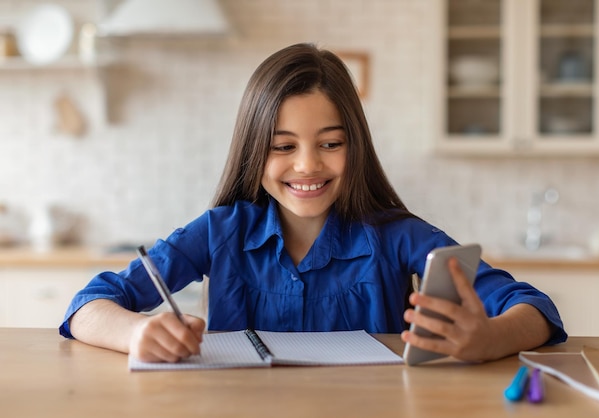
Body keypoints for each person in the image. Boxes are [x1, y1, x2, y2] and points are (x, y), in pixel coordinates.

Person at [60, 42, 567, 363]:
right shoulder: (220, 231)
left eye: (330, 143)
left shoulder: (396, 234)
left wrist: (489, 339)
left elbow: (536, 309)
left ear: (356, 145)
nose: (307, 166)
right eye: (283, 147)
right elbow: (87, 305)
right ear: (253, 152)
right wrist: (137, 333)